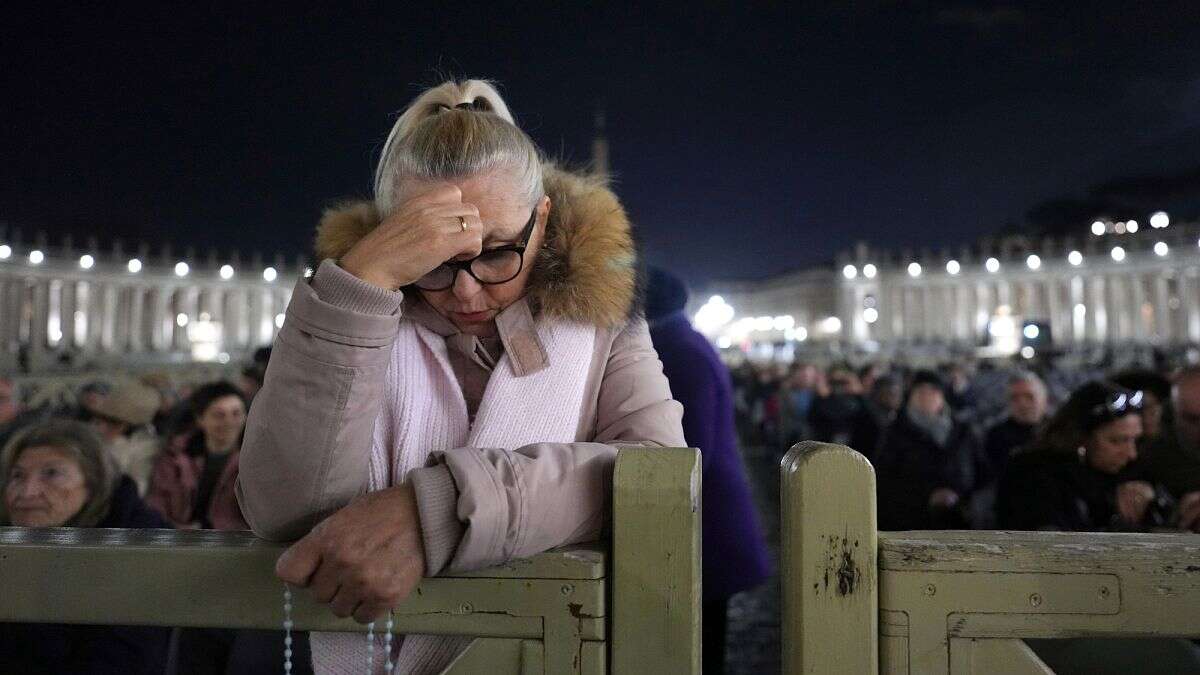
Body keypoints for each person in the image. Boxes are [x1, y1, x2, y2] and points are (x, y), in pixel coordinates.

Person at [237, 79, 685, 673]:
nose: (468, 290)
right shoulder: (349, 311)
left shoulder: (604, 322)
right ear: (393, 236)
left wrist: (444, 511)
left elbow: (660, 473)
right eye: (435, 261)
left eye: (499, 251)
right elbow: (283, 508)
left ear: (543, 221)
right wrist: (358, 286)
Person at [995, 381, 1200, 672]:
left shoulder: (1120, 467)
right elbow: (1052, 555)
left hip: (1112, 604)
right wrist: (1114, 518)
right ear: (1081, 438)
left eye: (1134, 440)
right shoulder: (1033, 476)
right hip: (1050, 614)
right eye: (1117, 441)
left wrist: (1154, 502)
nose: (1130, 452)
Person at [644, 267, 771, 675]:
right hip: (710, 518)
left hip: (704, 523)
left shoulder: (678, 353)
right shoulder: (687, 344)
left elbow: (692, 447)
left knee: (699, 646)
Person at [0, 420, 171, 674]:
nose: (28, 491)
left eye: (51, 474)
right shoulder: (13, 540)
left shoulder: (140, 547)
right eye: (18, 476)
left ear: (93, 482)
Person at [874, 370, 979, 530]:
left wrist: (961, 498)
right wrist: (926, 497)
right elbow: (884, 480)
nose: (927, 396)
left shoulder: (963, 432)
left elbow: (980, 473)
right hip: (911, 524)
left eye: (934, 391)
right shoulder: (894, 433)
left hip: (960, 522)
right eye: (921, 391)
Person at [146, 382, 247, 530]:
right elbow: (158, 503)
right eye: (219, 415)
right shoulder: (174, 457)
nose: (229, 422)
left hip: (236, 542)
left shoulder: (255, 460)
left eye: (236, 413)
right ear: (200, 420)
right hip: (180, 540)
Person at [82, 381, 162, 495]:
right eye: (100, 421)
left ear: (124, 426)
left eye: (112, 423)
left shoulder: (144, 451)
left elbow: (136, 490)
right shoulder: (99, 440)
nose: (100, 428)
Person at [848, 373, 902, 461]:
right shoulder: (862, 421)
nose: (895, 396)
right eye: (889, 392)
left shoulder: (901, 421)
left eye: (897, 392)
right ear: (877, 393)